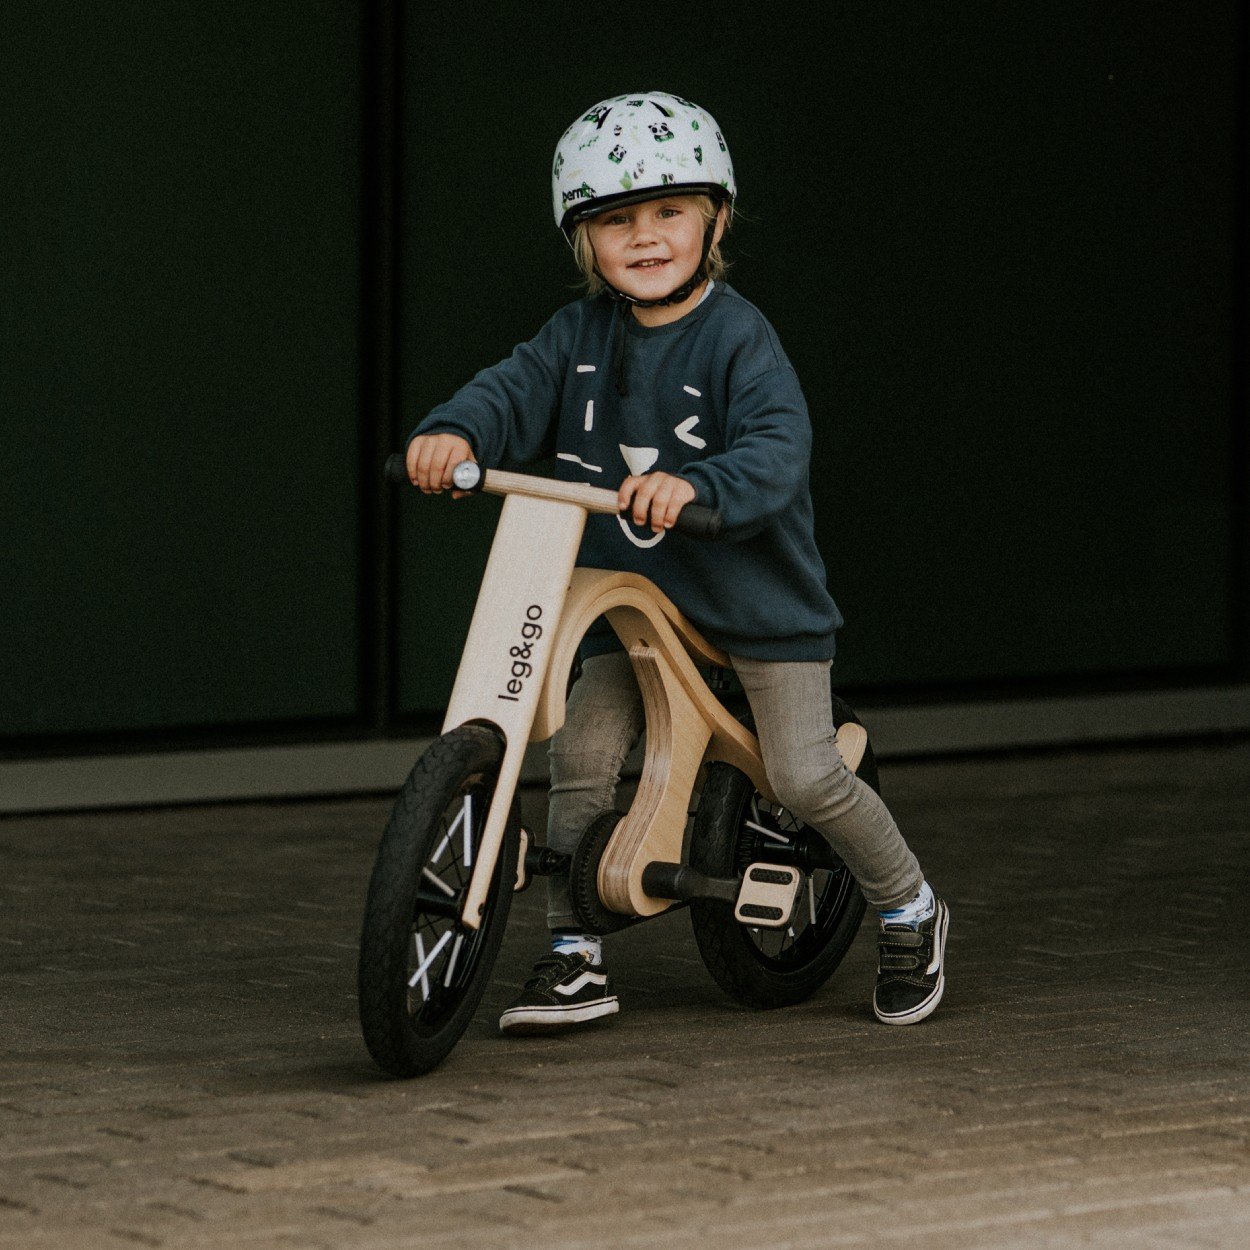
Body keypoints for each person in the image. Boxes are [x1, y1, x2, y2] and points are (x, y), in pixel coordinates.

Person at [405, 91, 949, 1033]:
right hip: (635, 604)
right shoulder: (575, 338)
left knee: (805, 774)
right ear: (584, 238)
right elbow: (510, 390)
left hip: (756, 606)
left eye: (669, 212)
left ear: (715, 222)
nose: (646, 237)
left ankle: (909, 907)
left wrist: (699, 486)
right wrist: (455, 431)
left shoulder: (739, 338)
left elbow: (777, 449)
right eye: (617, 220)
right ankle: (574, 952)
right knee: (581, 752)